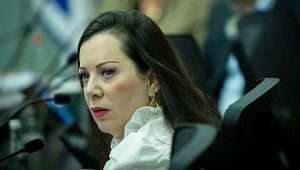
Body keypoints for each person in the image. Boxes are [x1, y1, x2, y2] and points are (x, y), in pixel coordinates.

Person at [77, 10, 221, 170]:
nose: (90, 90)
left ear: (152, 80)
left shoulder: (136, 157)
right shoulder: (171, 132)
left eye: (107, 72)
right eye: (84, 76)